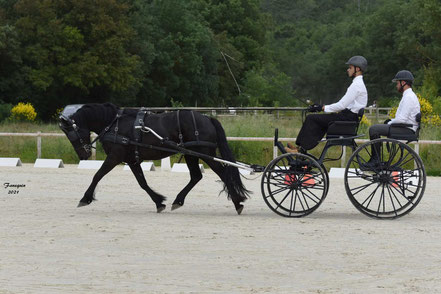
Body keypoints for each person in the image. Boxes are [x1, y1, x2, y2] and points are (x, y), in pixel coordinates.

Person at [286, 56, 368, 153]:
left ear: (357, 69)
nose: (348, 70)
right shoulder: (357, 84)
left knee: (311, 118)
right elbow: (342, 105)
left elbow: (341, 105)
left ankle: (301, 149)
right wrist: (322, 108)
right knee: (318, 120)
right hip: (347, 117)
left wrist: (322, 107)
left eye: (350, 67)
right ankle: (300, 148)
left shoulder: (356, 85)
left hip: (347, 119)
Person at [364, 70, 420, 165]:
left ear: (403, 83)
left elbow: (402, 119)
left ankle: (375, 159)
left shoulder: (409, 97)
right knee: (377, 128)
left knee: (374, 129)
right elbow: (402, 118)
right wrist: (391, 121)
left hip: (406, 129)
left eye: (397, 83)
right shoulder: (408, 96)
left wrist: (390, 123)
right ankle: (376, 159)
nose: (396, 85)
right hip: (405, 127)